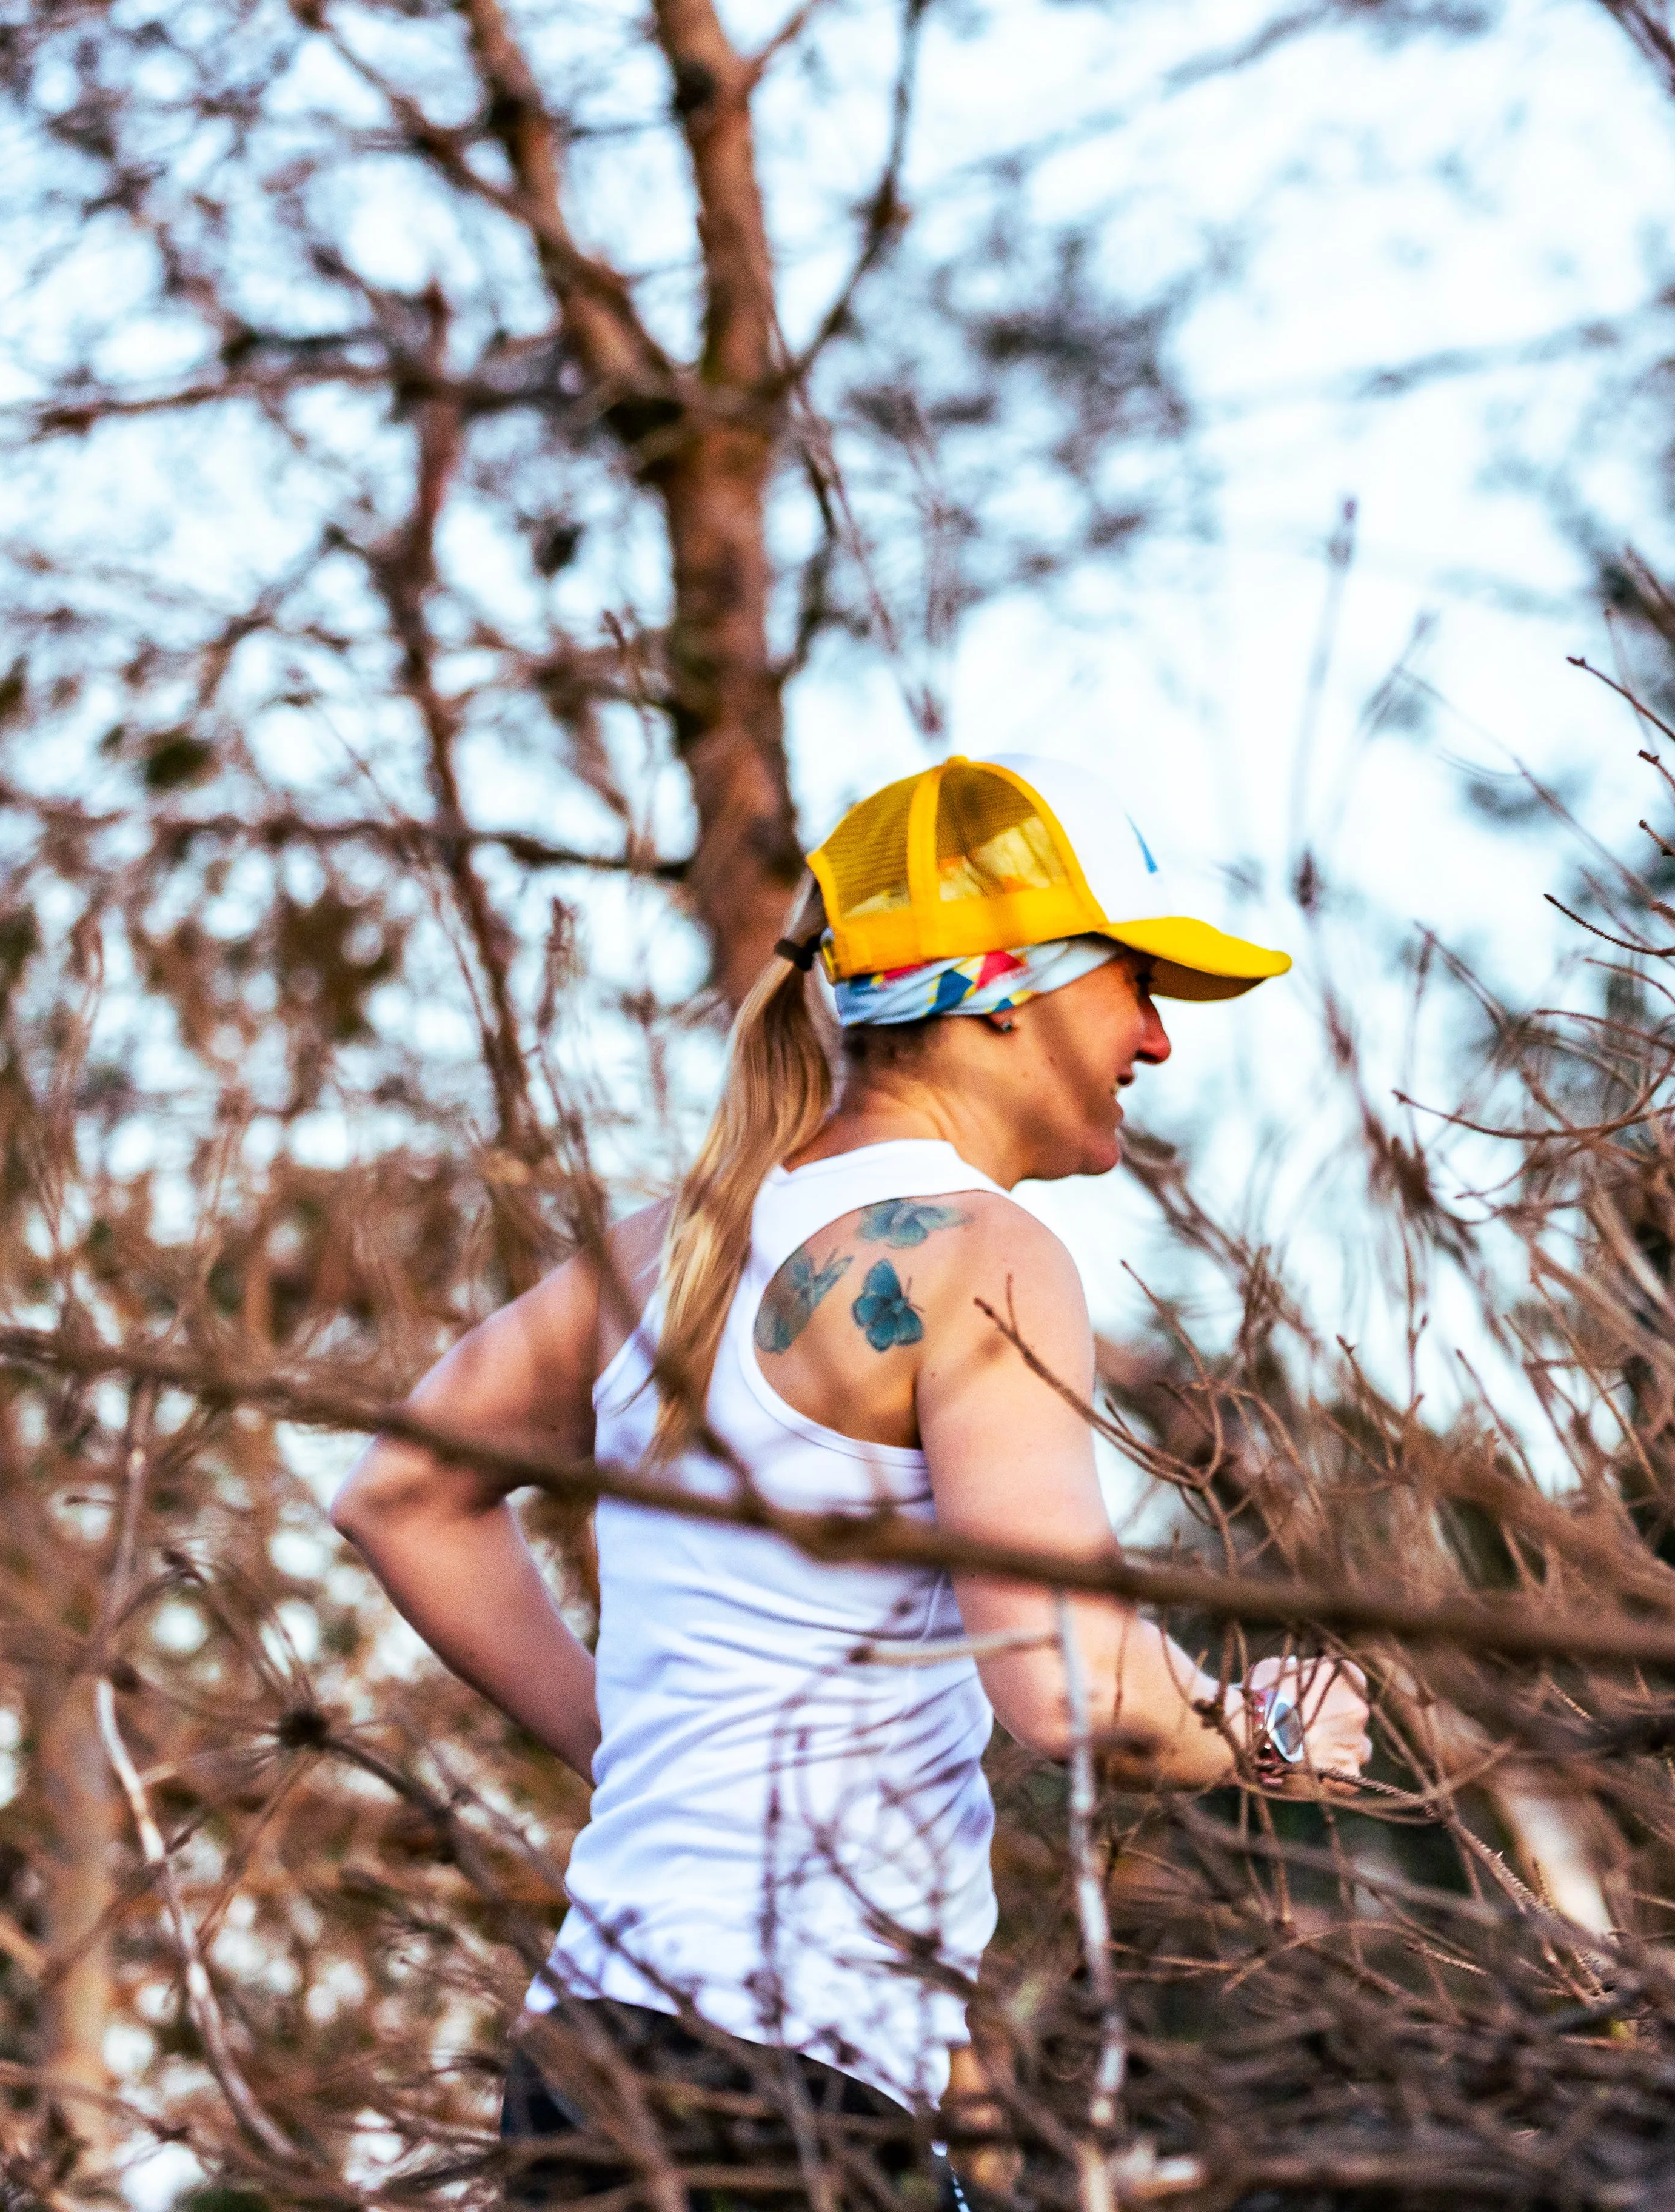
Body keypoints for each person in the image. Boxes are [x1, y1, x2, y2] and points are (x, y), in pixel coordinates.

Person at [330, 754, 1374, 2207]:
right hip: (778, 2089)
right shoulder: (982, 1256)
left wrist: (631, 1744)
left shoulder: (664, 1249)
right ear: (1006, 990)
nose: (1154, 1039)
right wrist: (1263, 1732)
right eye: (1133, 981)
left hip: (590, 2060)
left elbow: (398, 1494)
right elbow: (1070, 1686)